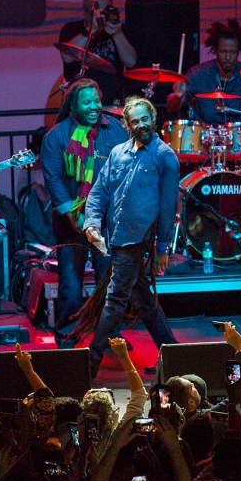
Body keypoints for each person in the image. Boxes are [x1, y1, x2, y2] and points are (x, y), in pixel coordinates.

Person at [80, 95, 180, 375]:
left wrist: (162, 248)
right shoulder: (117, 153)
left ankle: (88, 367)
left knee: (114, 301)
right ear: (127, 125)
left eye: (145, 119)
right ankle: (174, 356)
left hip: (136, 239)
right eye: (135, 121)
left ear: (153, 119)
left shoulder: (164, 156)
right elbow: (99, 191)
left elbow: (168, 206)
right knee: (144, 301)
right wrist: (92, 223)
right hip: (116, 237)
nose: (141, 125)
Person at [40, 78, 129, 347]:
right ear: (73, 106)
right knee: (70, 282)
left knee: (108, 281)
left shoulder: (115, 129)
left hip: (106, 219)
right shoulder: (56, 136)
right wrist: (73, 214)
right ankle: (68, 337)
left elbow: (126, 168)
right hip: (72, 220)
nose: (94, 106)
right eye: (87, 102)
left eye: (96, 101)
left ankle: (110, 334)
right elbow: (54, 180)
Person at [166, 19, 241, 125]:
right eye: (223, 52)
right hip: (204, 133)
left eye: (233, 52)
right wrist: (177, 97)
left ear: (238, 51)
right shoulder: (197, 74)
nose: (228, 57)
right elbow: (170, 108)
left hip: (237, 133)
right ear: (215, 51)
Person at [57, 0, 136, 106]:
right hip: (78, 100)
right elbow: (67, 57)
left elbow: (131, 62)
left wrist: (117, 33)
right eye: (97, 9)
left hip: (110, 101)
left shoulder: (120, 30)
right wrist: (91, 29)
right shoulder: (71, 29)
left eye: (105, 8)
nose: (101, 13)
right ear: (86, 11)